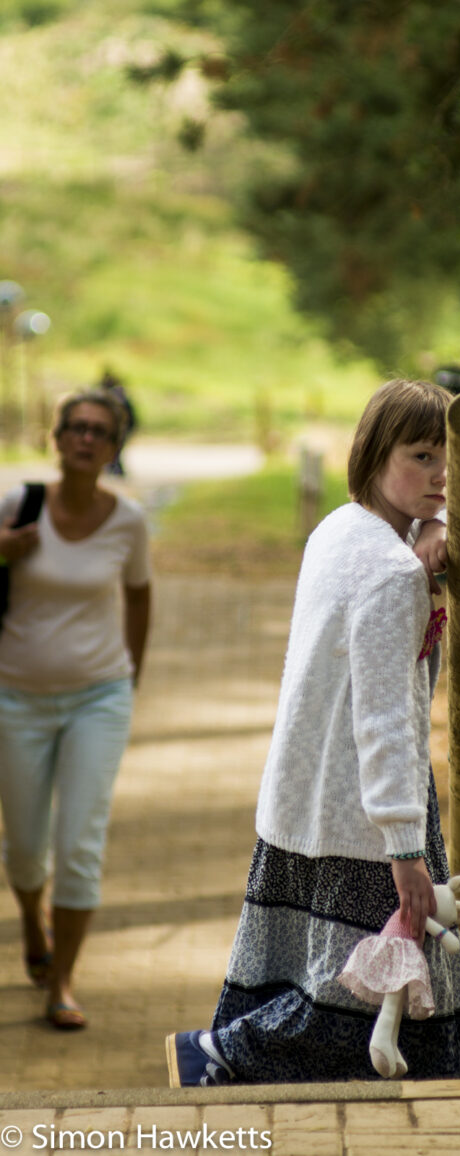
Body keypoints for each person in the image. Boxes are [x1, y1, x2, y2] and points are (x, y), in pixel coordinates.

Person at [165, 378, 460, 1086]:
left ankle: (223, 1061)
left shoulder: (340, 529)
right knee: (371, 984)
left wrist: (432, 525)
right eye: (423, 457)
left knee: (311, 968)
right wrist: (404, 845)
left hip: (304, 792)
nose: (440, 477)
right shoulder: (392, 573)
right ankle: (224, 1056)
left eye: (448, 461)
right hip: (367, 810)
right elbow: (387, 715)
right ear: (374, 452)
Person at [0, 388, 152, 1030]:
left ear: (114, 449)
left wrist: (128, 681)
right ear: (57, 439)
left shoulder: (129, 522)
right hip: (16, 698)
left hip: (98, 698)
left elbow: (140, 598)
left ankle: (61, 979)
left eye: (100, 431)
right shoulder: (17, 504)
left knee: (79, 842)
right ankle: (34, 926)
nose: (87, 439)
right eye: (77, 428)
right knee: (28, 845)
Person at [97, 368, 137, 477]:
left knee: (116, 451)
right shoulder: (118, 395)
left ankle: (115, 470)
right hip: (122, 428)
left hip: (121, 428)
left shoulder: (114, 396)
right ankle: (114, 469)